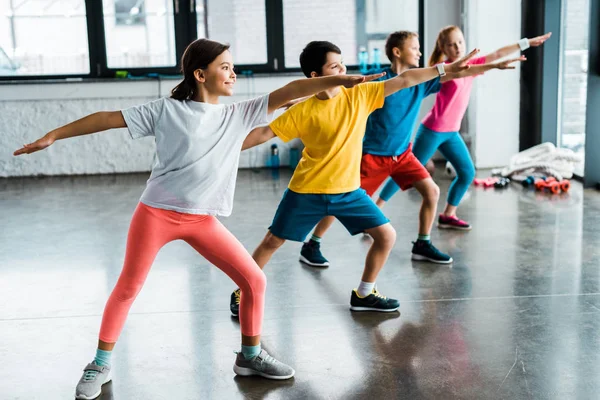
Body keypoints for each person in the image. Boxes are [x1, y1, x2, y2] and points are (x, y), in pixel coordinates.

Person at [13, 38, 384, 399]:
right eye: (225, 66)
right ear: (200, 74)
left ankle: (250, 356)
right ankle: (100, 363)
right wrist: (53, 135)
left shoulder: (238, 114)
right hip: (155, 214)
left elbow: (292, 89)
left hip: (202, 220)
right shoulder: (165, 110)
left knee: (254, 279)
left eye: (233, 66)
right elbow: (107, 119)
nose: (233, 72)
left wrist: (339, 79)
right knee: (128, 287)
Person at [229, 40, 479, 317]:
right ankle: (242, 291)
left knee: (386, 236)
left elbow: (406, 79)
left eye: (342, 63)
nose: (343, 69)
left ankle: (364, 293)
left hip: (349, 191)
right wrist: (221, 149)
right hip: (306, 191)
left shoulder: (360, 95)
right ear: (315, 76)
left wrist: (442, 69)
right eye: (335, 66)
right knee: (272, 242)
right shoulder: (302, 110)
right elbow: (264, 134)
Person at [298, 31, 524, 266]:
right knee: (340, 202)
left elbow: (459, 72)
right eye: (414, 48)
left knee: (432, 191)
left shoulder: (420, 82)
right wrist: (300, 101)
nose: (419, 52)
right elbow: (335, 93)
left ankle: (422, 244)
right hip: (373, 157)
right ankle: (312, 243)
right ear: (397, 52)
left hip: (403, 156)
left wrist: (494, 65)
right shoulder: (377, 80)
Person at [377, 27, 551, 230]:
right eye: (451, 44)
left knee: (467, 172)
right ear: (443, 48)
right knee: (404, 175)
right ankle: (377, 208)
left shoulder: (471, 63)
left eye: (460, 42)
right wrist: (494, 66)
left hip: (451, 132)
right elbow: (467, 69)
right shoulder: (444, 68)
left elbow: (497, 54)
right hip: (432, 130)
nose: (457, 47)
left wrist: (526, 43)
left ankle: (448, 214)